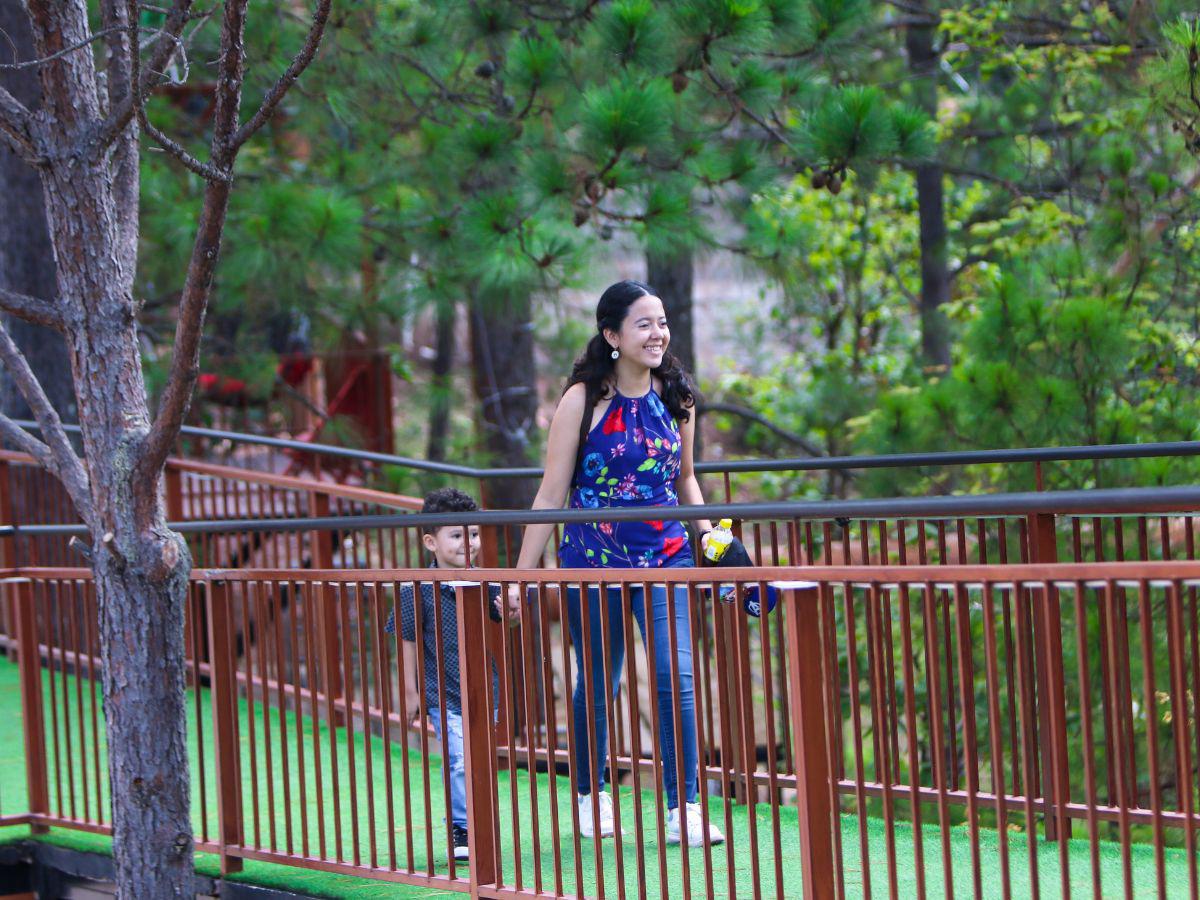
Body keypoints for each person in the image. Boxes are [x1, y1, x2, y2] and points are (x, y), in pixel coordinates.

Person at [508, 279, 725, 847]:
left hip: (667, 555)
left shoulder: (677, 395)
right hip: (592, 558)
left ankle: (685, 806)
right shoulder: (582, 400)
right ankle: (592, 795)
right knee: (598, 681)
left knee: (674, 677)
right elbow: (551, 493)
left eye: (662, 323)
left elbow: (687, 480)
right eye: (644, 324)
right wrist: (521, 577)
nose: (659, 334)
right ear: (612, 335)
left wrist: (711, 539)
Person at [386, 487, 501, 862]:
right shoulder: (416, 587)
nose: (468, 542)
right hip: (441, 691)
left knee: (479, 757)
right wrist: (408, 692)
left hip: (483, 687)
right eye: (457, 535)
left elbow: (506, 620)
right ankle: (462, 827)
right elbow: (404, 638)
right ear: (431, 542)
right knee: (459, 759)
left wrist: (511, 608)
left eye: (473, 533)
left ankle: (479, 822)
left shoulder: (484, 580)